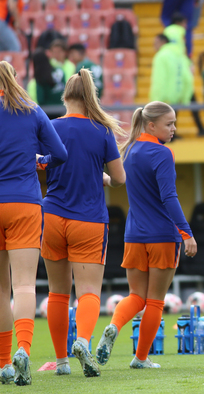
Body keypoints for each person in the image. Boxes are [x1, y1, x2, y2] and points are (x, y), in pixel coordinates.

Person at [95, 101, 197, 369]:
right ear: (151, 125)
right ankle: (141, 358)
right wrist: (186, 233)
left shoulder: (129, 150)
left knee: (135, 296)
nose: (174, 128)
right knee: (154, 300)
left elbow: (117, 181)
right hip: (162, 235)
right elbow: (169, 197)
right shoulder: (162, 153)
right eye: (169, 124)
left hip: (134, 235)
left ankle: (114, 325)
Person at [41, 69, 126, 378]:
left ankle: (61, 362)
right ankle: (82, 340)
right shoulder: (101, 130)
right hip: (89, 219)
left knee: (57, 292)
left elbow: (41, 166)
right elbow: (119, 178)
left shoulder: (49, 127)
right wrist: (101, 177)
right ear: (91, 96)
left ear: (65, 95)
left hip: (52, 215)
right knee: (88, 291)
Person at [0, 60, 67, 386]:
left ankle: (2, 364)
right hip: (24, 202)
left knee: (0, 288)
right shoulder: (32, 110)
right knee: (24, 284)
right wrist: (41, 160)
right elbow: (61, 154)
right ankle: (24, 350)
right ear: (15, 79)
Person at [150, 34, 193, 108]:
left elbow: (159, 80)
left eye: (156, 42)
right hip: (177, 99)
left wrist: (156, 101)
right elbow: (188, 78)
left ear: (163, 42)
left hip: (164, 101)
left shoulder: (161, 56)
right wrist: (185, 99)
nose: (154, 45)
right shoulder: (180, 55)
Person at [28, 48, 66, 118]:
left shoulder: (40, 76)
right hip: (64, 110)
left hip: (47, 113)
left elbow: (40, 99)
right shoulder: (60, 70)